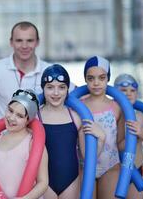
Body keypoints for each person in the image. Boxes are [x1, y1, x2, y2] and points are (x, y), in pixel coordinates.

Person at [40, 64, 106, 199]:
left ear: (67, 90)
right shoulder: (36, 118)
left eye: (62, 87)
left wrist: (101, 138)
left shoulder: (76, 118)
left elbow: (88, 156)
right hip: (43, 181)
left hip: (71, 181)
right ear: (43, 89)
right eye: (50, 87)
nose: (56, 93)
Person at [0, 21, 51, 120]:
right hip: (4, 133)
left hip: (39, 134)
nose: (24, 46)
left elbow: (71, 94)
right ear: (11, 42)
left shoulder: (50, 71)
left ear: (37, 42)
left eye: (30, 40)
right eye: (19, 40)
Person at [0, 89, 49, 199]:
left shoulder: (33, 146)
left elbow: (43, 183)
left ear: (28, 120)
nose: (12, 118)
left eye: (19, 116)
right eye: (10, 111)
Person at [81, 56, 126, 199]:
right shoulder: (78, 105)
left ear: (108, 78)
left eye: (101, 78)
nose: (96, 83)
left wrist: (135, 164)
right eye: (91, 78)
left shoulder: (117, 107)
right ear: (85, 79)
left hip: (110, 167)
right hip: (84, 166)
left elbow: (120, 141)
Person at [114, 74, 143, 199]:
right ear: (114, 93)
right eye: (123, 90)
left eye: (133, 90)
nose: (129, 93)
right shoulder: (111, 115)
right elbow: (113, 147)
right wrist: (132, 140)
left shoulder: (142, 116)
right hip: (115, 172)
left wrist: (142, 134)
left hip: (137, 170)